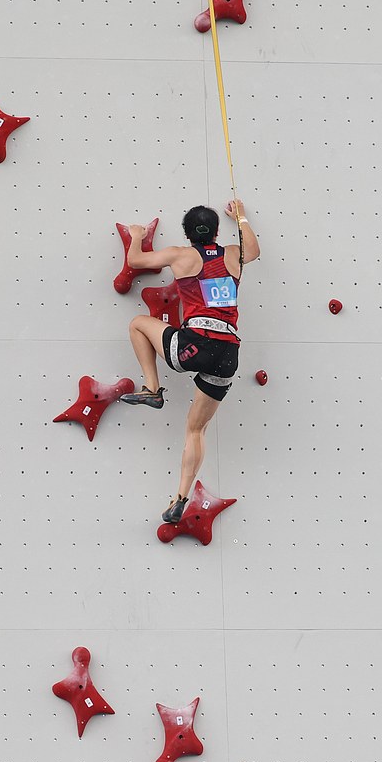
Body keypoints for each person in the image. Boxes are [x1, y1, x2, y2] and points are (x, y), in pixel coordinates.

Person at [118, 199, 261, 524]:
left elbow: (136, 260)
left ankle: (152, 388)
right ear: (216, 232)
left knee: (138, 324)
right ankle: (180, 497)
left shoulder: (180, 255)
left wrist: (137, 235)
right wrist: (240, 218)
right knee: (196, 429)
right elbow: (253, 250)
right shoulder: (232, 254)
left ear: (187, 233)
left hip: (194, 344)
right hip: (227, 353)